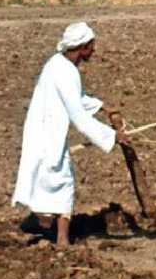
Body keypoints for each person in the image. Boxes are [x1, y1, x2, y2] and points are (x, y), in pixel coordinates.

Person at [12, 22, 128, 246]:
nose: (94, 50)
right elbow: (78, 115)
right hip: (49, 135)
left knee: (45, 176)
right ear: (83, 47)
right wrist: (113, 136)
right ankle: (62, 240)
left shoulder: (56, 64)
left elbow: (76, 98)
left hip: (43, 131)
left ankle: (37, 221)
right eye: (92, 45)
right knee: (63, 181)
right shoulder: (66, 72)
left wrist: (102, 106)